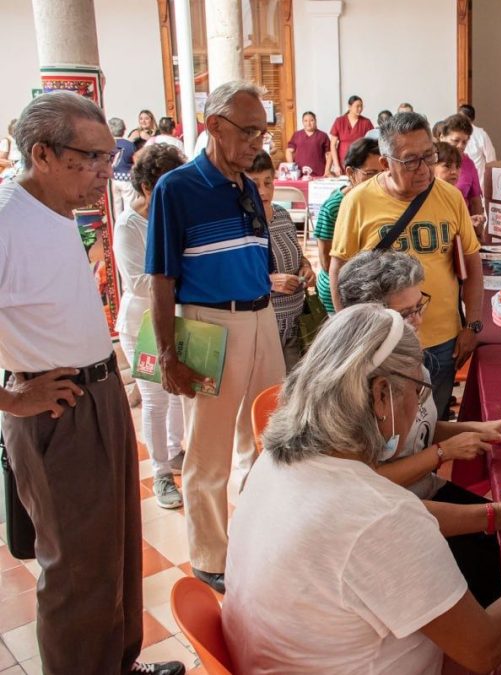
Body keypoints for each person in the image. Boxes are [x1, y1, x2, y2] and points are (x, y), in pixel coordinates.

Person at [221, 303, 501, 672]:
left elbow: (384, 519)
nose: (420, 404)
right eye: (419, 387)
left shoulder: (274, 461)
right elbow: (486, 649)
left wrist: (495, 514)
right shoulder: (380, 517)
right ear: (382, 396)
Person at [0, 91, 184, 675]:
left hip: (98, 392)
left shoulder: (56, 211)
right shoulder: (6, 219)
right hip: (57, 407)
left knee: (116, 550)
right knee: (78, 569)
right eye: (96, 157)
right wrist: (12, 397)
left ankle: (118, 664)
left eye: (113, 157)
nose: (110, 172)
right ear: (43, 154)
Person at [146, 80, 287, 594]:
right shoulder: (176, 188)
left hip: (262, 318)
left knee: (268, 435)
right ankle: (210, 554)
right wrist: (168, 355)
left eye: (263, 132)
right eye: (248, 131)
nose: (257, 142)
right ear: (213, 126)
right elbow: (161, 277)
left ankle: (254, 536)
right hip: (209, 323)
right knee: (207, 448)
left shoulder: (247, 185)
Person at [337, 250, 501, 605]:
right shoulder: (358, 392)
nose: (417, 319)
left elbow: (423, 424)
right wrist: (440, 454)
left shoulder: (408, 360)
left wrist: (484, 427)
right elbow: (366, 484)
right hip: (394, 515)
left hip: (423, 495)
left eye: (418, 305)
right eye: (404, 313)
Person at [329, 112, 484, 420]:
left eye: (429, 155)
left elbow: (472, 263)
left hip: (442, 341)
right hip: (381, 341)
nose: (424, 168)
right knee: (383, 426)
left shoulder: (451, 198)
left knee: (431, 422)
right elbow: (339, 270)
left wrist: (472, 325)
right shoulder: (358, 201)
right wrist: (350, 332)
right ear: (386, 163)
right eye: (411, 160)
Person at [115, 142, 188, 510]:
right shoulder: (129, 225)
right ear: (147, 187)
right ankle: (160, 472)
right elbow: (139, 282)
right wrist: (184, 278)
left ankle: (175, 452)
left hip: (173, 318)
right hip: (141, 324)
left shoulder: (172, 216)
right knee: (156, 397)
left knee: (178, 392)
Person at [248, 150, 314, 371]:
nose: (263, 191)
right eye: (255, 183)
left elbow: (297, 253)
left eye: (268, 182)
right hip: (264, 324)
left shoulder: (282, 215)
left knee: (295, 385)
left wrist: (306, 267)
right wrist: (269, 281)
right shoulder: (240, 223)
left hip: (296, 320)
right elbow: (228, 275)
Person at [313, 138, 383, 314]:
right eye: (371, 174)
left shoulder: (379, 201)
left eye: (383, 173)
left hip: (368, 287)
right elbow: (327, 263)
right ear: (351, 173)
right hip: (340, 290)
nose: (378, 181)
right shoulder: (334, 207)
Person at [436, 113, 485, 229]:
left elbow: (475, 201)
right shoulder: (429, 160)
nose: (460, 146)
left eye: (464, 142)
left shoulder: (469, 164)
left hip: (461, 228)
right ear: (442, 137)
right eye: (456, 140)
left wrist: (478, 233)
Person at [329, 94, 374, 175]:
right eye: (357, 106)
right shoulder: (339, 121)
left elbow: (371, 145)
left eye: (361, 106)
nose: (360, 109)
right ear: (349, 107)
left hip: (360, 163)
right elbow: (333, 145)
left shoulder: (366, 122)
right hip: (342, 162)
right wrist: (336, 165)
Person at [459, 103, 497, 186]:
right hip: (460, 178)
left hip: (478, 180)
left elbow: (491, 160)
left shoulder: (481, 134)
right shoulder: (455, 133)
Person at [285, 110, 331, 177]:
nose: (308, 123)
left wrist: (327, 170)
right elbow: (289, 150)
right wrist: (292, 168)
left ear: (315, 121)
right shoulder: (297, 135)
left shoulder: (323, 135)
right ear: (302, 122)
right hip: (299, 173)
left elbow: (329, 154)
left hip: (319, 173)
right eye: (305, 121)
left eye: (311, 120)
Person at [109, 117, 137, 214]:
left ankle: (117, 226)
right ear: (123, 130)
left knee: (117, 206)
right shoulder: (129, 145)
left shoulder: (108, 144)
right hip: (127, 178)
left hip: (114, 178)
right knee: (129, 206)